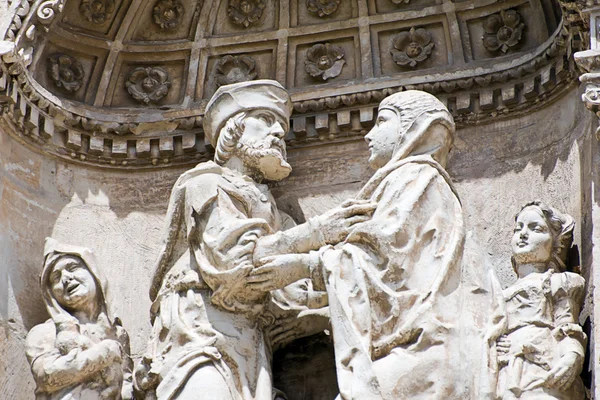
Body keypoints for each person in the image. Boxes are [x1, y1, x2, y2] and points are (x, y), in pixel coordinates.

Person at [247, 90, 505, 399]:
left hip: (425, 348)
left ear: (413, 130)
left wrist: (307, 266)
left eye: (382, 122)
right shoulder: (406, 182)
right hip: (421, 345)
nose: (369, 135)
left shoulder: (417, 178)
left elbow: (382, 260)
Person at [137, 80, 374, 400]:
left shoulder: (279, 218)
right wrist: (317, 233)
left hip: (250, 340)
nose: (279, 132)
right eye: (265, 119)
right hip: (199, 330)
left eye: (282, 124)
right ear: (232, 130)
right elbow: (233, 261)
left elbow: (291, 294)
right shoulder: (205, 183)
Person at [495, 202, 586, 399]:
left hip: (542, 367)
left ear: (555, 243)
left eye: (535, 228)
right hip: (506, 371)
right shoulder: (497, 294)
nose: (523, 234)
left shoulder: (559, 282)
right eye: (518, 228)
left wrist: (573, 355)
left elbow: (567, 326)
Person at [25, 238, 133, 400]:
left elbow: (126, 383)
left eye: (73, 267)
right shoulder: (45, 332)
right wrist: (105, 352)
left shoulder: (118, 333)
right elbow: (47, 376)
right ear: (51, 294)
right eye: (56, 278)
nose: (66, 278)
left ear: (93, 272)